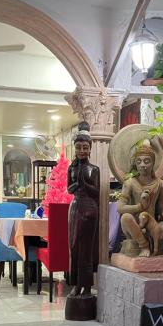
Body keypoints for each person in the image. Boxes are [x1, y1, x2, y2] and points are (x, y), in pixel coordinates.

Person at [117, 140, 163, 257]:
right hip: (135, 224)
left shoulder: (161, 185)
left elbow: (162, 208)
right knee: (125, 217)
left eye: (147, 161)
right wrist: (139, 206)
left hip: (152, 224)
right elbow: (120, 208)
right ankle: (144, 246)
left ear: (153, 163)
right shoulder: (129, 183)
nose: (142, 165)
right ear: (135, 164)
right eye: (139, 161)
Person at [67, 121, 99, 296]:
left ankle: (86, 285)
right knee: (74, 247)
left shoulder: (94, 169)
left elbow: (96, 192)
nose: (81, 151)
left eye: (85, 148)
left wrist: (84, 184)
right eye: (78, 147)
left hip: (90, 209)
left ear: (90, 149)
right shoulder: (71, 168)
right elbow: (69, 188)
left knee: (86, 248)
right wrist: (77, 184)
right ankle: (76, 283)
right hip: (75, 208)